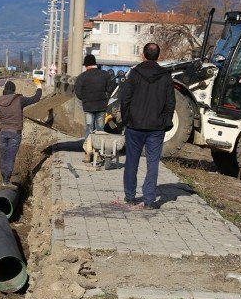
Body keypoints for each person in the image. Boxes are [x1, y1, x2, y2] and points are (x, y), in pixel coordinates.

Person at [119, 43, 175, 209]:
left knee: (131, 161)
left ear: (143, 55)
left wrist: (126, 119)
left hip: (134, 126)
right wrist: (166, 121)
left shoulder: (135, 73)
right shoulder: (165, 76)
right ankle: (150, 200)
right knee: (152, 163)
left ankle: (130, 196)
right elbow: (170, 102)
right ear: (158, 56)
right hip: (156, 128)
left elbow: (125, 99)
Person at [0, 80, 42, 188]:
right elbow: (35, 98)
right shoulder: (19, 100)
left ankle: (4, 179)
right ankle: (6, 181)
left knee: (4, 156)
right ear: (14, 90)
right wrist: (39, 87)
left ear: (4, 91)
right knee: (10, 157)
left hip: (3, 133)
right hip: (15, 134)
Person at [74, 54, 116, 162]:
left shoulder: (82, 77)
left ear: (87, 65)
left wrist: (85, 99)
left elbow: (78, 92)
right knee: (100, 130)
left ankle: (88, 154)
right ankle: (99, 154)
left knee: (89, 129)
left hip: (88, 107)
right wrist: (105, 98)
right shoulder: (105, 75)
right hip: (101, 106)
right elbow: (111, 88)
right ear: (95, 64)